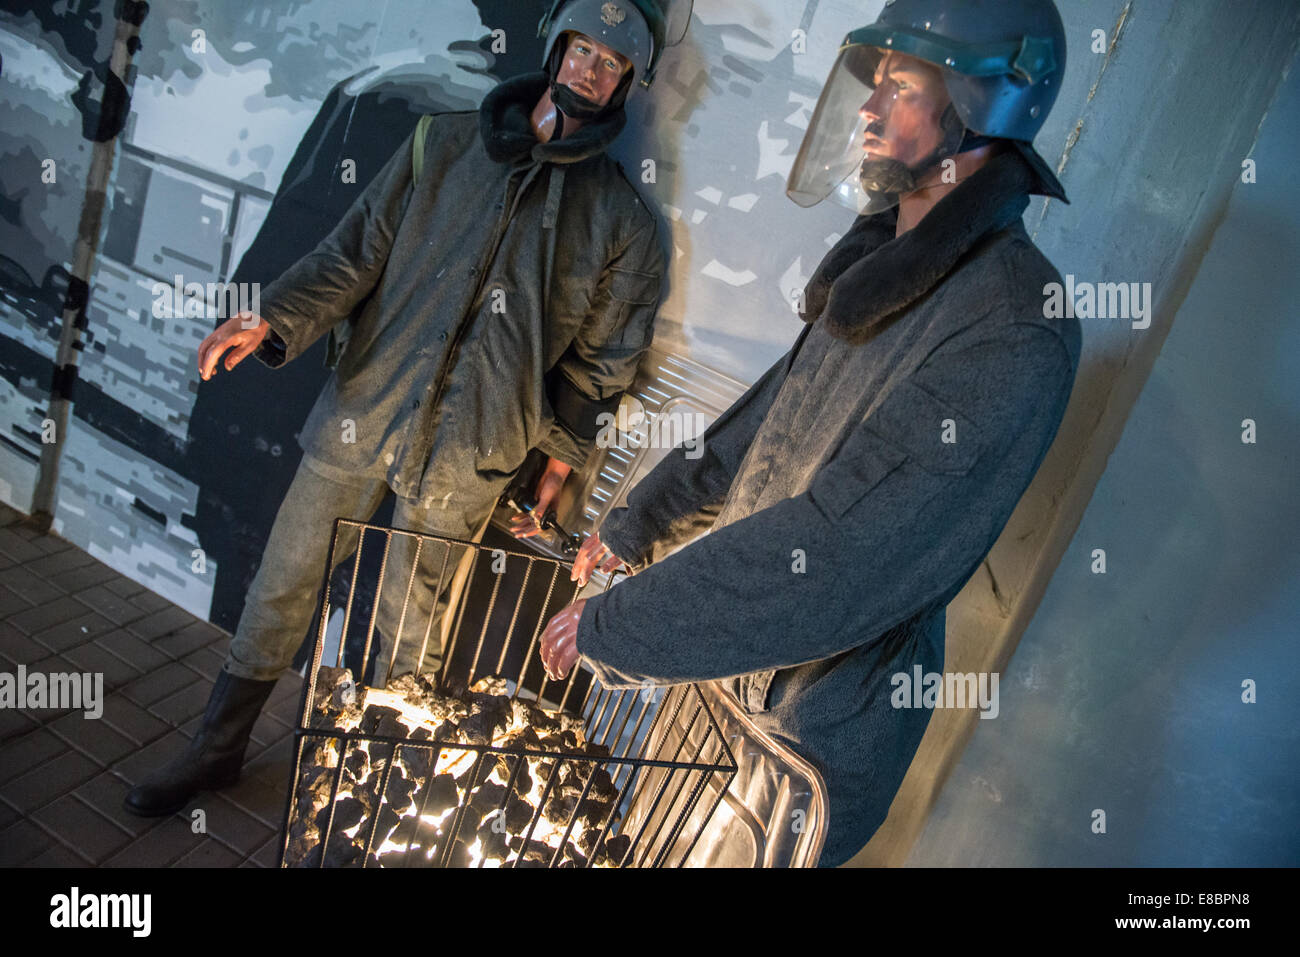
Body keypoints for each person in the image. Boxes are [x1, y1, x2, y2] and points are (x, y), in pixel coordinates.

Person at [540, 0, 1081, 867]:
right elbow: (764, 427)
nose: (867, 111)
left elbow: (841, 553)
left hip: (803, 745)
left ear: (985, 109)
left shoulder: (1013, 324)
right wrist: (634, 521)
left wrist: (618, 626)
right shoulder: (881, 264)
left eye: (901, 89)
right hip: (729, 689)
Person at [125, 0, 682, 818]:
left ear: (628, 80)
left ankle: (364, 794)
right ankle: (217, 746)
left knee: (410, 633)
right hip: (365, 407)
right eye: (582, 50)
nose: (590, 71)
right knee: (283, 582)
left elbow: (603, 366)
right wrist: (272, 314)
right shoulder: (444, 142)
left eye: (611, 62)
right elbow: (354, 251)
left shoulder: (621, 223)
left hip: (473, 448)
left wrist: (561, 461)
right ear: (557, 46)